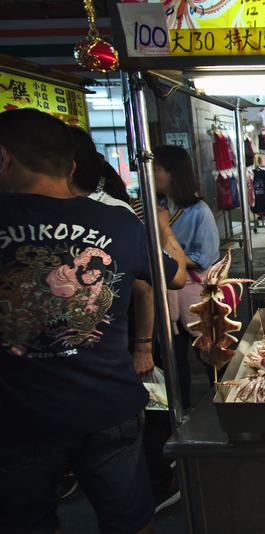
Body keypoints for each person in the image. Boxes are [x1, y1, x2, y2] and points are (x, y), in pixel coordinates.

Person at [0, 108, 187, 533]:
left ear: (3, 159)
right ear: (70, 166)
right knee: (130, 519)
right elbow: (174, 276)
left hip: (18, 414)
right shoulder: (117, 221)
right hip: (107, 405)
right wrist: (163, 232)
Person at [153, 144, 221, 409]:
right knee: (173, 354)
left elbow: (205, 256)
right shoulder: (157, 205)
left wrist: (168, 260)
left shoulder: (198, 211)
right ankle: (179, 408)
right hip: (166, 291)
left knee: (207, 349)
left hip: (193, 292)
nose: (151, 173)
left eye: (156, 168)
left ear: (172, 173)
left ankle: (223, 401)